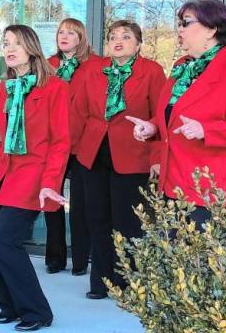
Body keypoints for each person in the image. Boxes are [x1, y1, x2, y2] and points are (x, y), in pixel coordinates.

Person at [0, 24, 69, 332]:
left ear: (31, 48)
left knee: (4, 240)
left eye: (16, 44)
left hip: (34, 175)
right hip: (4, 175)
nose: (8, 49)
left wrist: (50, 182)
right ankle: (8, 307)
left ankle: (36, 311)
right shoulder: (9, 87)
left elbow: (61, 142)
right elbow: (8, 140)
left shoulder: (55, 88)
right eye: (5, 43)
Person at [128, 0, 226, 226]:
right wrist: (153, 126)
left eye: (186, 23)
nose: (179, 29)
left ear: (211, 29)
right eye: (179, 23)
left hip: (213, 189)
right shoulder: (183, 66)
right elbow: (175, 113)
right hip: (175, 182)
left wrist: (206, 130)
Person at [73, 20, 165, 299]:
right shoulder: (93, 69)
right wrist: (76, 149)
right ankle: (101, 282)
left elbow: (161, 115)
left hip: (134, 153)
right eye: (113, 36)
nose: (118, 41)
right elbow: (78, 111)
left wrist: (158, 157)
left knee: (128, 222)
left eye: (126, 37)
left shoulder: (151, 71)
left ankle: (127, 282)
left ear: (138, 44)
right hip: (95, 152)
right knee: (97, 219)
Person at [43, 17, 100, 275]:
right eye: (61, 32)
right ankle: (55, 257)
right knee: (51, 201)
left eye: (71, 33)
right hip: (53, 142)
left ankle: (80, 260)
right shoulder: (48, 65)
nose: (64, 37)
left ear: (81, 38)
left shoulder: (95, 65)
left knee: (81, 203)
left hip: (82, 142)